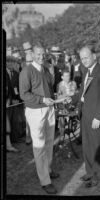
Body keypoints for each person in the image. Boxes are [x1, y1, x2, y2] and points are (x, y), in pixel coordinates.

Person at [19, 44, 61, 194]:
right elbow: (24, 94)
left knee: (49, 143)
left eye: (43, 54)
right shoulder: (26, 71)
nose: (41, 57)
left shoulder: (45, 70)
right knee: (39, 145)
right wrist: (43, 100)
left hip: (49, 110)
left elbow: (50, 89)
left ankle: (47, 169)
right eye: (38, 54)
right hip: (35, 112)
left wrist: (57, 99)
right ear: (32, 54)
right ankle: (45, 180)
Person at [72, 44, 100, 188]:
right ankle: (89, 172)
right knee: (87, 146)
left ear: (94, 56)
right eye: (82, 58)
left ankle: (98, 176)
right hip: (85, 115)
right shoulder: (85, 71)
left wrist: (98, 117)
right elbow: (82, 93)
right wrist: (70, 98)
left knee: (97, 147)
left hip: (95, 117)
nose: (84, 60)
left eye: (87, 57)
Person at [57, 69, 77, 143]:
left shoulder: (74, 83)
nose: (68, 77)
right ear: (62, 77)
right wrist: (65, 96)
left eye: (69, 75)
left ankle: (70, 129)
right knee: (61, 118)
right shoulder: (60, 85)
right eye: (66, 76)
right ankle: (62, 135)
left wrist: (73, 95)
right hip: (63, 105)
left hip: (72, 105)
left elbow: (76, 94)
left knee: (73, 114)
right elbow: (58, 97)